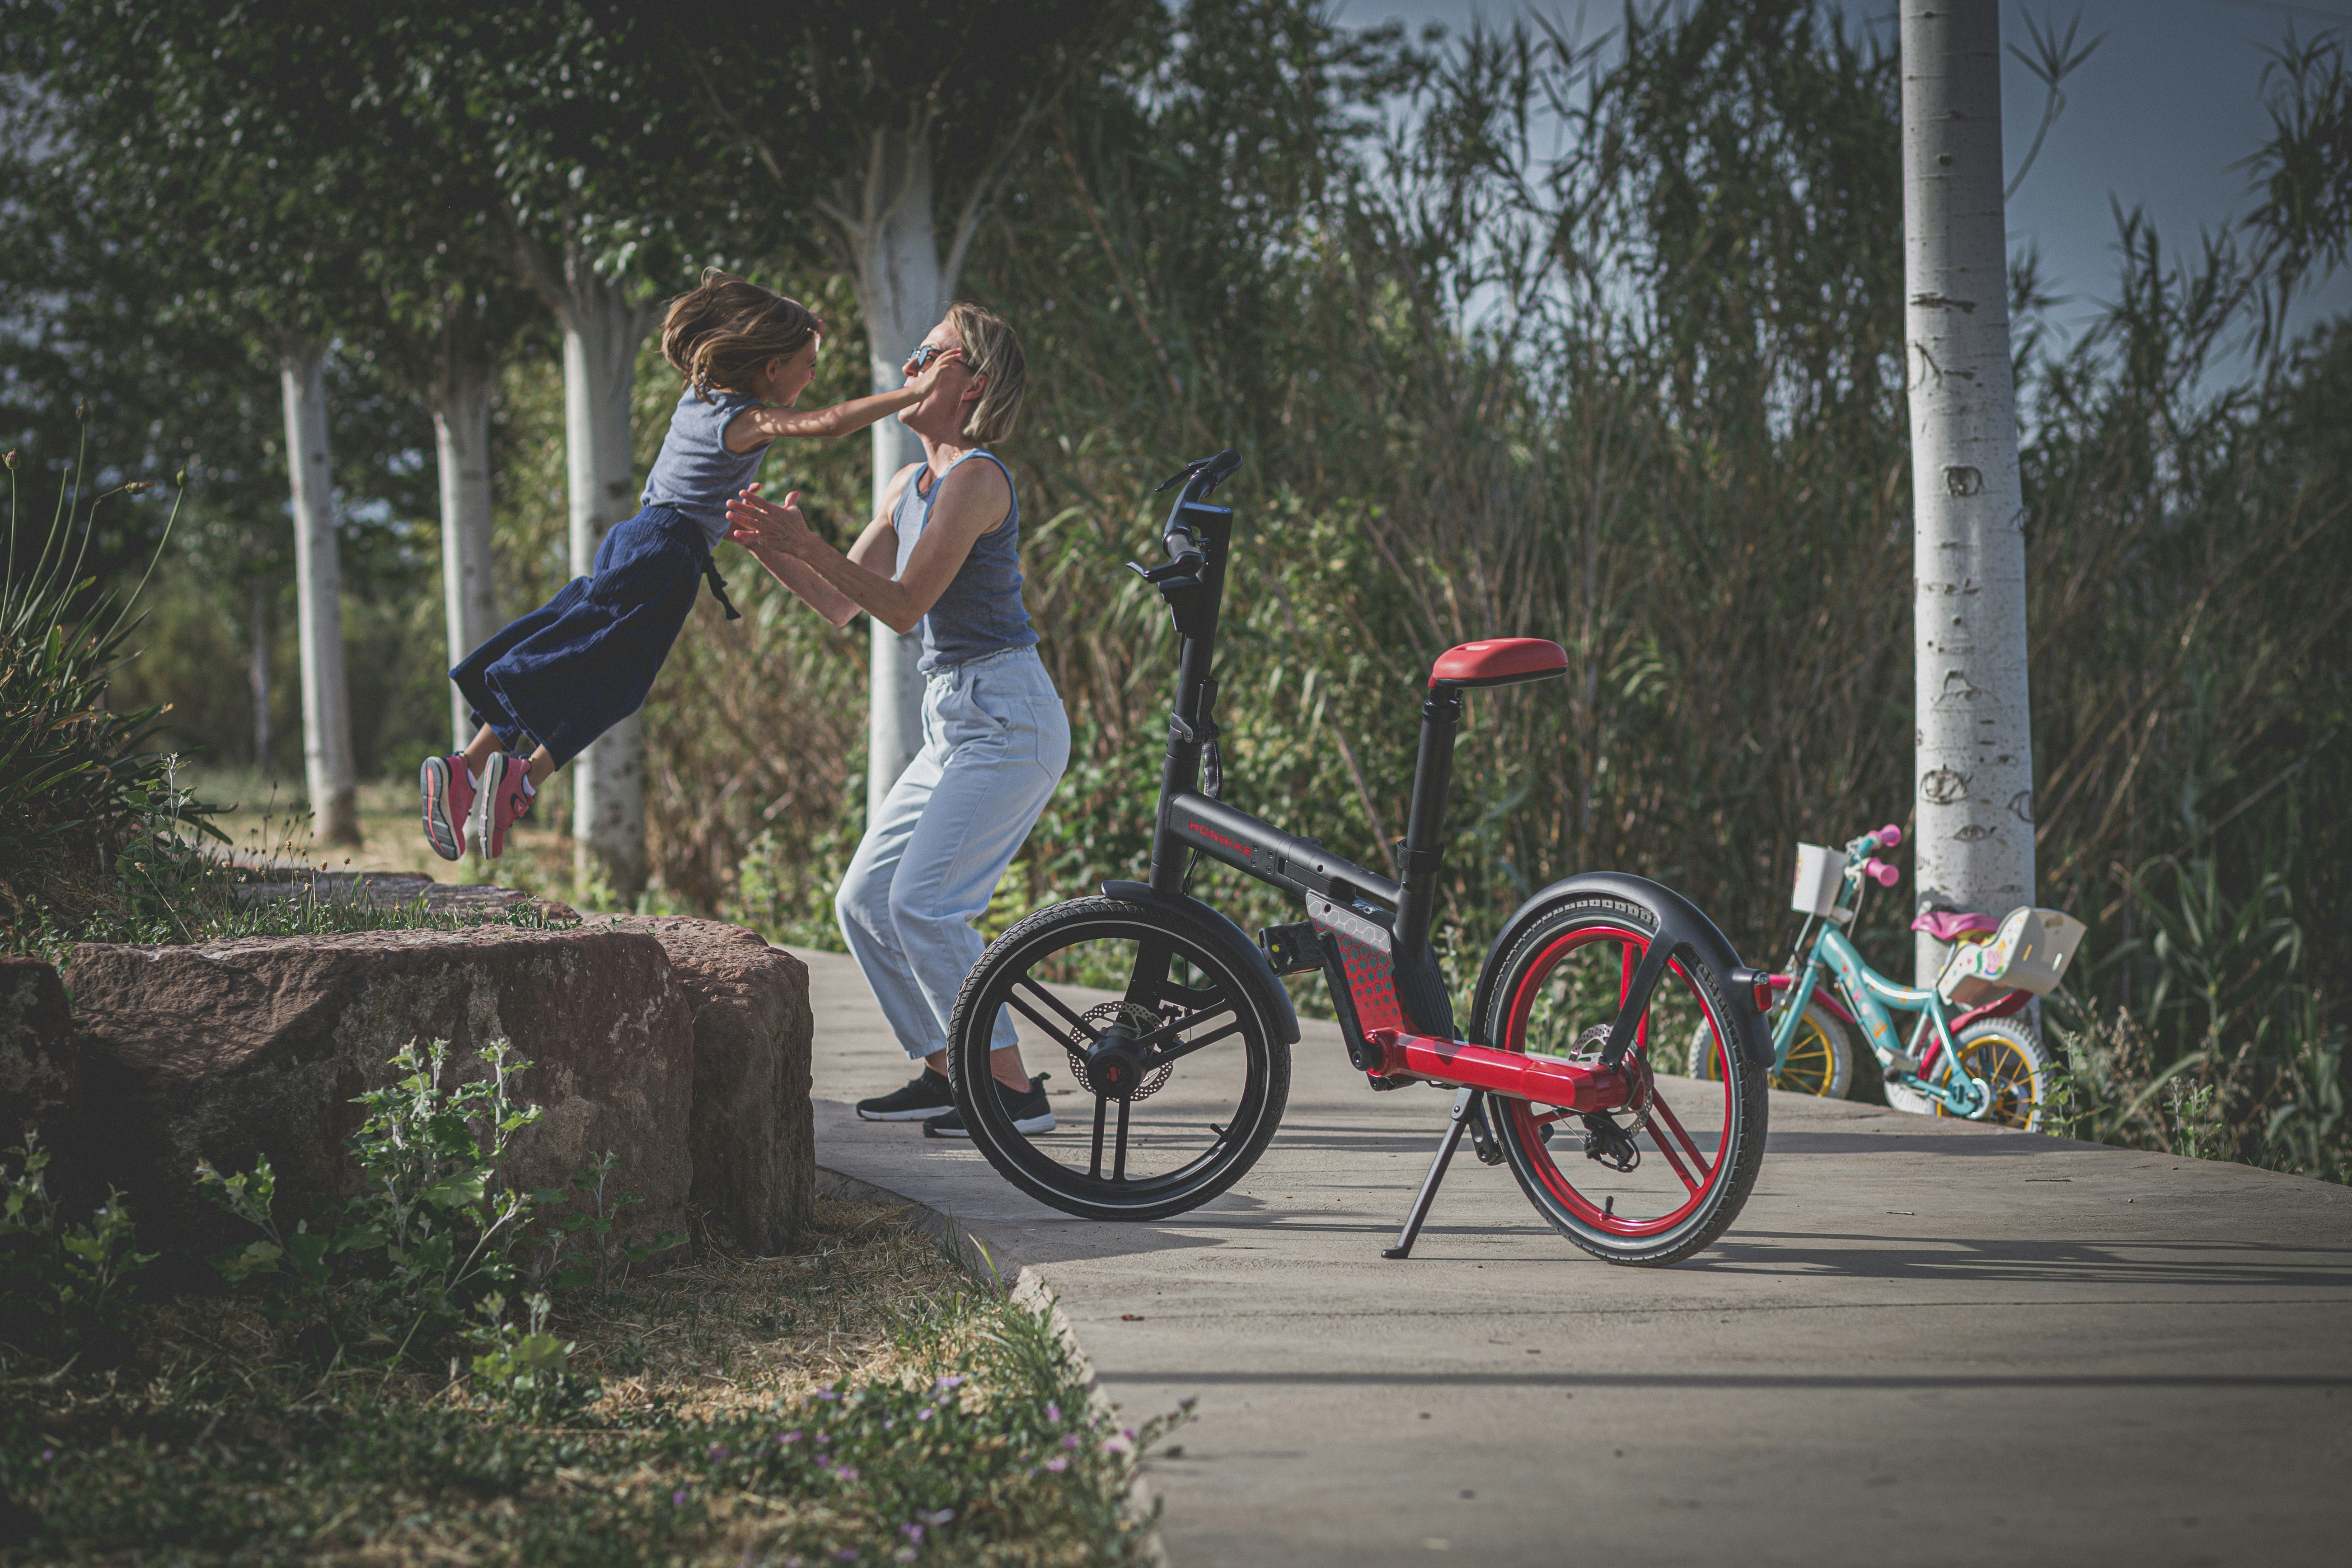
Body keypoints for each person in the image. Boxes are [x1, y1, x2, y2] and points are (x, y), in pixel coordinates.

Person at [420, 271, 957, 860]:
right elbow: (825, 423)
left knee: (589, 663)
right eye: (806, 362)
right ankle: (499, 776)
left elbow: (706, 472)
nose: (812, 375)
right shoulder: (744, 420)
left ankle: (487, 774)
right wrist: (914, 392)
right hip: (665, 554)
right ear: (769, 367)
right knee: (597, 670)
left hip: (646, 540)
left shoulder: (698, 396)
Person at [723, 303, 1068, 1139]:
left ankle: (1014, 1093)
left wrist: (808, 543)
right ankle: (949, 1070)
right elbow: (843, 602)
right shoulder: (904, 485)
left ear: (970, 384)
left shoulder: (977, 479)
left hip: (1007, 716)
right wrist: (767, 540)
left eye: (930, 354)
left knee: (924, 906)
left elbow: (907, 606)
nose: (909, 364)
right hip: (953, 716)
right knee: (864, 902)